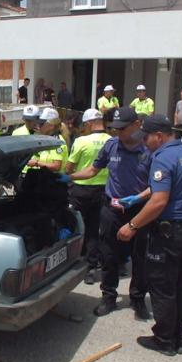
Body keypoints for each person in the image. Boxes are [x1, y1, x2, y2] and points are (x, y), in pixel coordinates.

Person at [116, 114, 182, 356]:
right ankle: (179, 337)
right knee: (179, 285)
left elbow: (159, 201)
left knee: (162, 288)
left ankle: (164, 340)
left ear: (159, 136)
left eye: (146, 137)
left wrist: (132, 225)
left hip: (169, 234)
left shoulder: (161, 158)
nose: (144, 142)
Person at [63, 107, 151, 320]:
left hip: (139, 210)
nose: (118, 133)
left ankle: (137, 299)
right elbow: (93, 170)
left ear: (137, 125)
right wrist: (71, 177)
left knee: (140, 256)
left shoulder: (149, 150)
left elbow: (157, 186)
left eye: (122, 129)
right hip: (112, 208)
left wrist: (138, 198)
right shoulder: (111, 146)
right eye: (115, 129)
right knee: (109, 253)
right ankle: (109, 297)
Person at [66, 109, 111, 285]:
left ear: (88, 124)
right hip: (104, 190)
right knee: (95, 229)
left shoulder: (81, 141)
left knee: (76, 225)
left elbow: (70, 167)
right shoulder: (111, 141)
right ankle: (91, 267)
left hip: (81, 191)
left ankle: (75, 260)